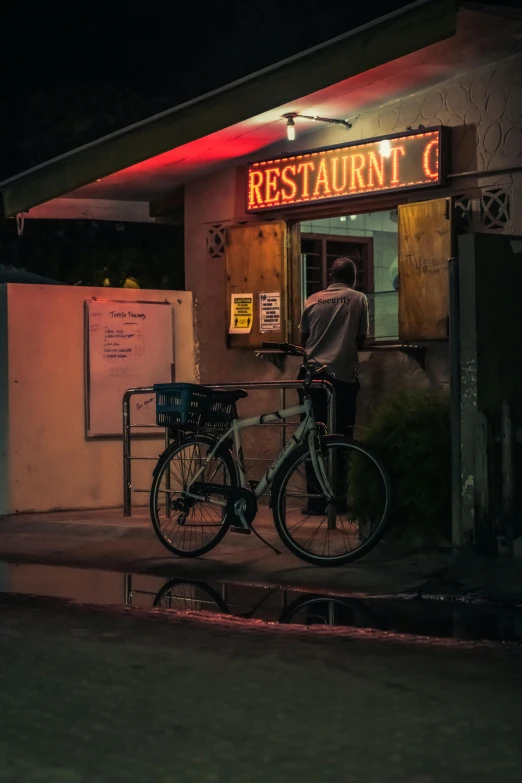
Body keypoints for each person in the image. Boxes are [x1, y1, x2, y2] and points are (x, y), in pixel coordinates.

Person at [298, 257, 368, 513]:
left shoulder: (312, 299)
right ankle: (337, 500)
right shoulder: (358, 299)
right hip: (340, 380)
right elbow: (360, 339)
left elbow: (303, 340)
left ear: (330, 276)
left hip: (310, 376)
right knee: (341, 440)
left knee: (312, 439)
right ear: (354, 277)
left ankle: (315, 500)